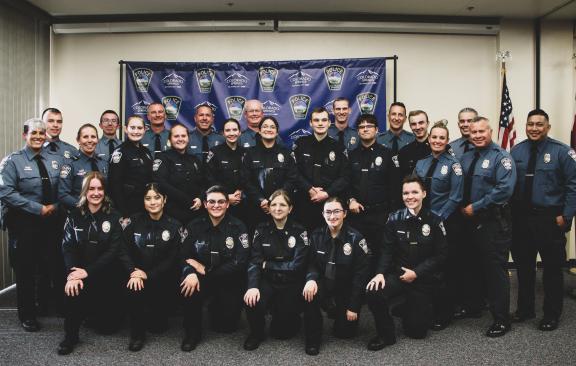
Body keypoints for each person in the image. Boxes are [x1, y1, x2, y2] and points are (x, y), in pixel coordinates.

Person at [510, 109, 576, 331]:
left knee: (552, 270)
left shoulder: (562, 152)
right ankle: (525, 309)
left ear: (548, 127)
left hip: (549, 218)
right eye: (530, 124)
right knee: (524, 267)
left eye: (539, 124)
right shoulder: (517, 151)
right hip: (521, 219)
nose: (534, 128)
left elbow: (573, 186)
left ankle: (551, 314)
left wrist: (566, 216)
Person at [366, 176, 447, 350]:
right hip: (399, 275)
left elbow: (441, 255)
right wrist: (379, 273)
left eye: (414, 192)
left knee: (417, 332)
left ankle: (409, 306)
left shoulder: (435, 220)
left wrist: (417, 273)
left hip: (423, 278)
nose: (410, 197)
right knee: (373, 291)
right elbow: (386, 250)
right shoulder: (394, 219)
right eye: (406, 193)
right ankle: (386, 335)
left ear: (424, 194)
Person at [0, 118, 64, 331]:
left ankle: (44, 306)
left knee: (49, 265)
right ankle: (27, 315)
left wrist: (54, 206)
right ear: (24, 135)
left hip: (50, 222)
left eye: (41, 133)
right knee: (26, 270)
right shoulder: (12, 161)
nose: (38, 137)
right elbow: (6, 192)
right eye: (33, 133)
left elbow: (62, 189)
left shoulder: (54, 159)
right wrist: (38, 208)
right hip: (24, 222)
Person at [460, 116, 516, 337]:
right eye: (473, 132)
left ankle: (502, 319)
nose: (477, 135)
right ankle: (475, 307)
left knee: (495, 272)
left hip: (493, 221)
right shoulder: (465, 157)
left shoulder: (501, 158)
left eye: (481, 131)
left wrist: (477, 206)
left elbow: (505, 190)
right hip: (469, 222)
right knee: (472, 266)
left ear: (490, 131)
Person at [56, 172, 124, 355]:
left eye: (100, 188)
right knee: (72, 287)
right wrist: (73, 274)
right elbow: (67, 247)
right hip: (80, 272)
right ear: (85, 191)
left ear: (105, 191)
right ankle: (70, 336)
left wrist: (87, 272)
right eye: (91, 188)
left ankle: (96, 314)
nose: (96, 193)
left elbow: (113, 251)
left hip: (105, 274)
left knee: (107, 329)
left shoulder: (114, 216)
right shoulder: (73, 215)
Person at [180, 185, 250, 352]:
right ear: (205, 204)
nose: (216, 205)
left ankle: (216, 307)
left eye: (221, 202)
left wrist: (207, 271)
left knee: (226, 327)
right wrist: (190, 272)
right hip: (200, 278)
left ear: (227, 204)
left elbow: (240, 261)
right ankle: (192, 333)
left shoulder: (238, 227)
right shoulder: (194, 225)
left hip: (227, 278)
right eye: (211, 201)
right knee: (189, 286)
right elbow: (183, 255)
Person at [302, 197, 370, 356]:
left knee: (345, 333)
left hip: (345, 287)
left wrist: (353, 306)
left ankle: (336, 308)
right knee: (309, 294)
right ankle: (313, 339)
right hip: (324, 282)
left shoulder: (356, 238)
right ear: (323, 214)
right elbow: (311, 263)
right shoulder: (316, 235)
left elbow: (361, 276)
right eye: (328, 212)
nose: (332, 216)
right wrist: (311, 279)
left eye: (336, 211)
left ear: (345, 213)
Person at [120, 183, 183, 352]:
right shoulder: (133, 222)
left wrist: (148, 274)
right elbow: (123, 250)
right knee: (134, 288)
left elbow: (172, 260)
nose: (152, 202)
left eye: (157, 198)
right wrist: (133, 272)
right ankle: (137, 335)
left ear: (164, 200)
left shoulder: (174, 226)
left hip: (161, 279)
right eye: (148, 198)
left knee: (158, 327)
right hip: (137, 278)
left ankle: (156, 313)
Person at [243, 190, 309, 350]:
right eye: (274, 204)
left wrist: (268, 265)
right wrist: (252, 286)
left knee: (282, 333)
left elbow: (297, 266)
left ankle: (290, 317)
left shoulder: (300, 231)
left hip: (290, 282)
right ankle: (256, 333)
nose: (278, 208)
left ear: (290, 208)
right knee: (252, 300)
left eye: (282, 205)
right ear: (269, 207)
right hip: (268, 280)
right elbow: (255, 261)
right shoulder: (261, 229)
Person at [414, 122, 463, 329]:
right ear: (429, 138)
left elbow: (456, 197)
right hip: (423, 222)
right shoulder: (421, 163)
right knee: (425, 266)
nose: (437, 141)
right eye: (434, 137)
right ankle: (426, 308)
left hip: (445, 223)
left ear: (447, 140)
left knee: (444, 269)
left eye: (442, 138)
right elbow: (414, 191)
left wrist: (437, 219)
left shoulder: (454, 165)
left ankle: (445, 313)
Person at [293, 107, 350, 231]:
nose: (320, 123)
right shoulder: (301, 144)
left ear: (329, 123)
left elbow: (345, 177)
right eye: (316, 120)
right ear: (311, 123)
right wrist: (309, 188)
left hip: (330, 205)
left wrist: (326, 193)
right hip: (304, 203)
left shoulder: (338, 147)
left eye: (324, 120)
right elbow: (293, 172)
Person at [346, 114, 394, 261]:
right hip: (356, 216)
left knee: (380, 254)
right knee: (357, 255)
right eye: (361, 127)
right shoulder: (351, 155)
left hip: (380, 215)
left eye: (369, 126)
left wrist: (391, 215)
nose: (365, 129)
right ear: (358, 131)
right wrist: (350, 200)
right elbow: (345, 183)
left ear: (377, 130)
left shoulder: (387, 154)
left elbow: (394, 186)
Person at [243, 116, 299, 229]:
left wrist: (275, 201)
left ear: (277, 132)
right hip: (256, 207)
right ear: (259, 130)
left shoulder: (287, 154)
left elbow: (292, 179)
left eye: (272, 127)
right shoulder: (249, 153)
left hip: (281, 208)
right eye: (265, 126)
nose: (269, 129)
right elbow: (245, 180)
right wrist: (261, 200)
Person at [154, 123, 205, 224]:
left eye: (183, 136)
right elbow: (162, 183)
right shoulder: (163, 158)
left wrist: (200, 198)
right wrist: (188, 201)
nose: (180, 139)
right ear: (169, 140)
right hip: (172, 214)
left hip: (196, 212)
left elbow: (204, 182)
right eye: (176, 136)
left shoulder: (194, 159)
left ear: (188, 138)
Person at [108, 115, 154, 220]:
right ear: (125, 129)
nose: (136, 131)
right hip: (129, 208)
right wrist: (124, 213)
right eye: (132, 128)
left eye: (139, 128)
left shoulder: (146, 152)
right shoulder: (120, 153)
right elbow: (115, 186)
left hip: (146, 206)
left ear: (145, 130)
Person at [58, 124, 108, 211]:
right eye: (85, 137)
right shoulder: (70, 164)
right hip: (80, 212)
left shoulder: (103, 163)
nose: (89, 140)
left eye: (93, 137)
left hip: (102, 213)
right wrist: (83, 206)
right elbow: (63, 195)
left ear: (97, 140)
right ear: (78, 140)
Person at [206, 118, 248, 218]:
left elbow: (249, 177)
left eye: (234, 130)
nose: (231, 133)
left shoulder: (246, 153)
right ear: (223, 133)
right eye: (228, 130)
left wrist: (241, 191)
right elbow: (209, 178)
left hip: (242, 202)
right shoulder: (215, 152)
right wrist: (225, 196)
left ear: (239, 132)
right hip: (220, 203)